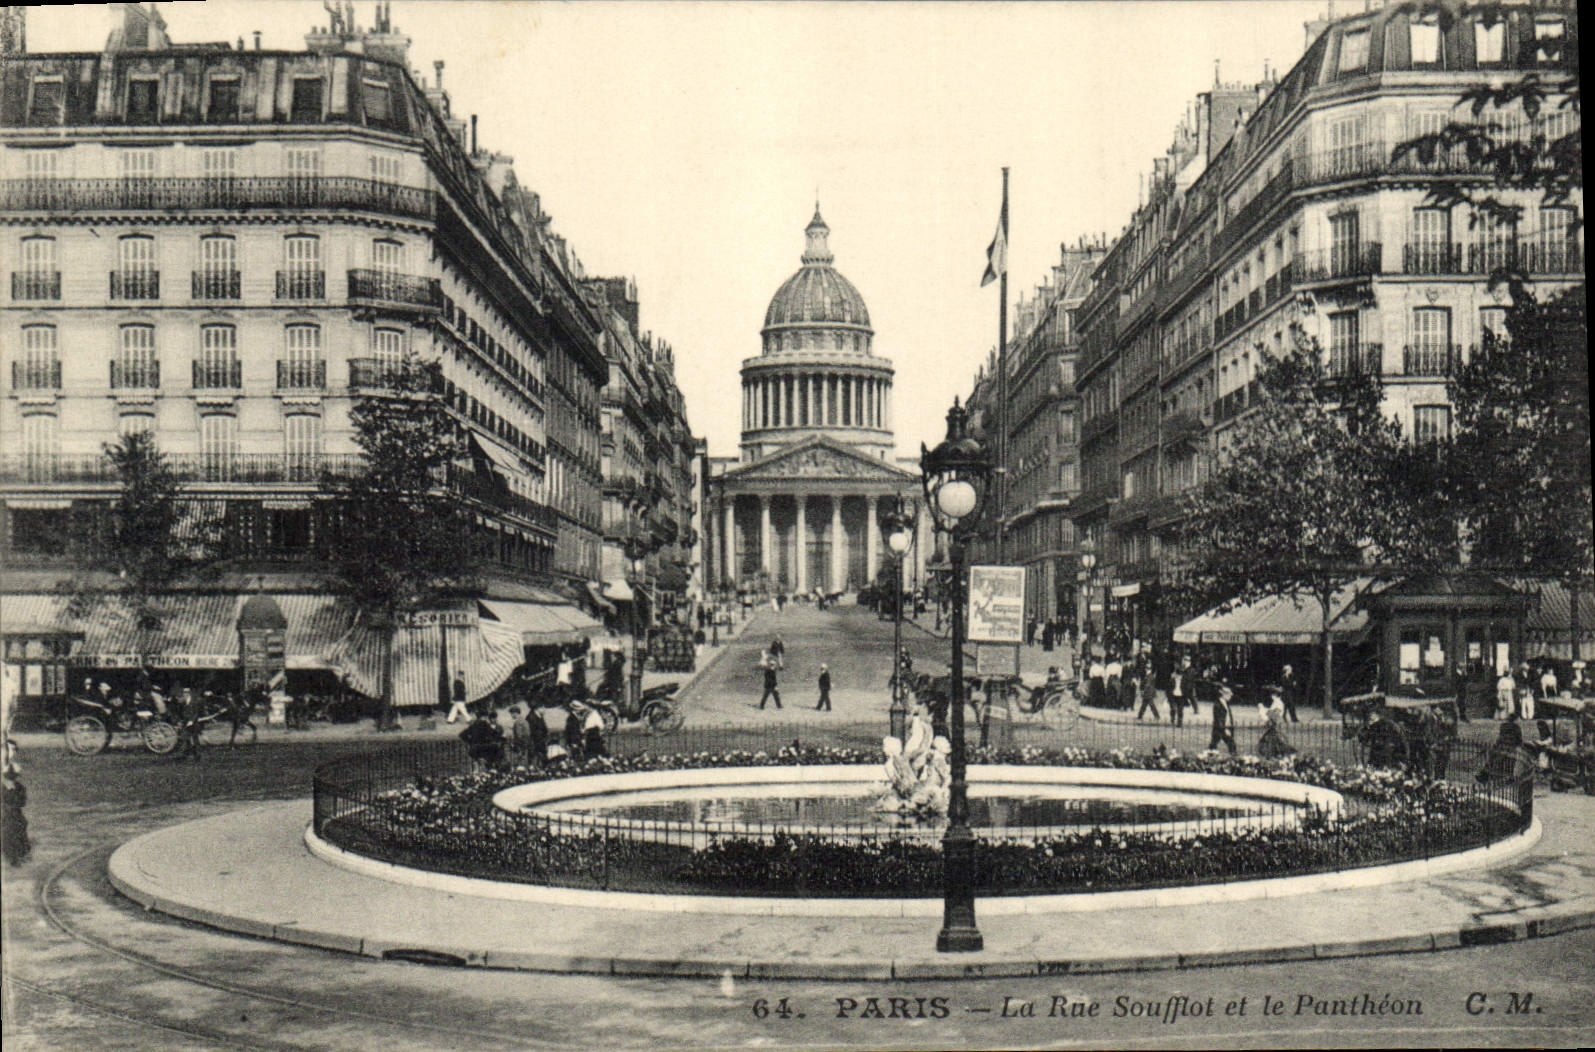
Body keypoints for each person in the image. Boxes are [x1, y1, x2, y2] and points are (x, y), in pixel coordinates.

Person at [1477, 720, 1532, 787]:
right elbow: (1491, 760)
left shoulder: (1519, 751)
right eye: (1504, 734)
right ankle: (1488, 776)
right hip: (1498, 776)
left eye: (1510, 736)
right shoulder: (1499, 747)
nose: (1506, 737)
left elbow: (1519, 770)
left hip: (1510, 780)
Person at [2, 751, 28, 867]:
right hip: (6, 814)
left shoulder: (19, 787)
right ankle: (13, 858)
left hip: (15, 813)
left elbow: (22, 802)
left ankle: (21, 853)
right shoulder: (4, 788)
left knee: (21, 827)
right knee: (9, 832)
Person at [1256, 688, 1296, 759]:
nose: (1271, 696)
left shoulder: (1279, 703)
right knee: (1273, 739)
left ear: (1275, 695)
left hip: (1277, 723)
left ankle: (1274, 753)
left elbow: (1275, 714)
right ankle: (1272, 752)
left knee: (1277, 739)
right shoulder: (1275, 703)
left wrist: (1263, 710)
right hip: (1274, 723)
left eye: (1272, 694)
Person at [1208, 684, 1237, 755]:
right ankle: (1234, 757)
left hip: (1225, 727)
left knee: (1214, 744)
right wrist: (1224, 729)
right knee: (1230, 744)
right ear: (1224, 694)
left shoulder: (1226, 703)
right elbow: (1218, 718)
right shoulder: (1217, 704)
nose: (1231, 696)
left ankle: (1209, 755)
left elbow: (1228, 716)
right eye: (1229, 694)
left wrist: (1230, 726)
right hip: (1220, 728)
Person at [1169, 658, 1187, 728]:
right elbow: (1168, 688)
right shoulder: (1172, 680)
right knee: (1173, 708)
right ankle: (1172, 718)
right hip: (1173, 695)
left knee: (1180, 710)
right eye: (1178, 675)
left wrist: (1186, 696)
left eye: (1180, 675)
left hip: (1181, 696)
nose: (1179, 676)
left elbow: (1186, 689)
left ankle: (1179, 722)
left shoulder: (1184, 681)